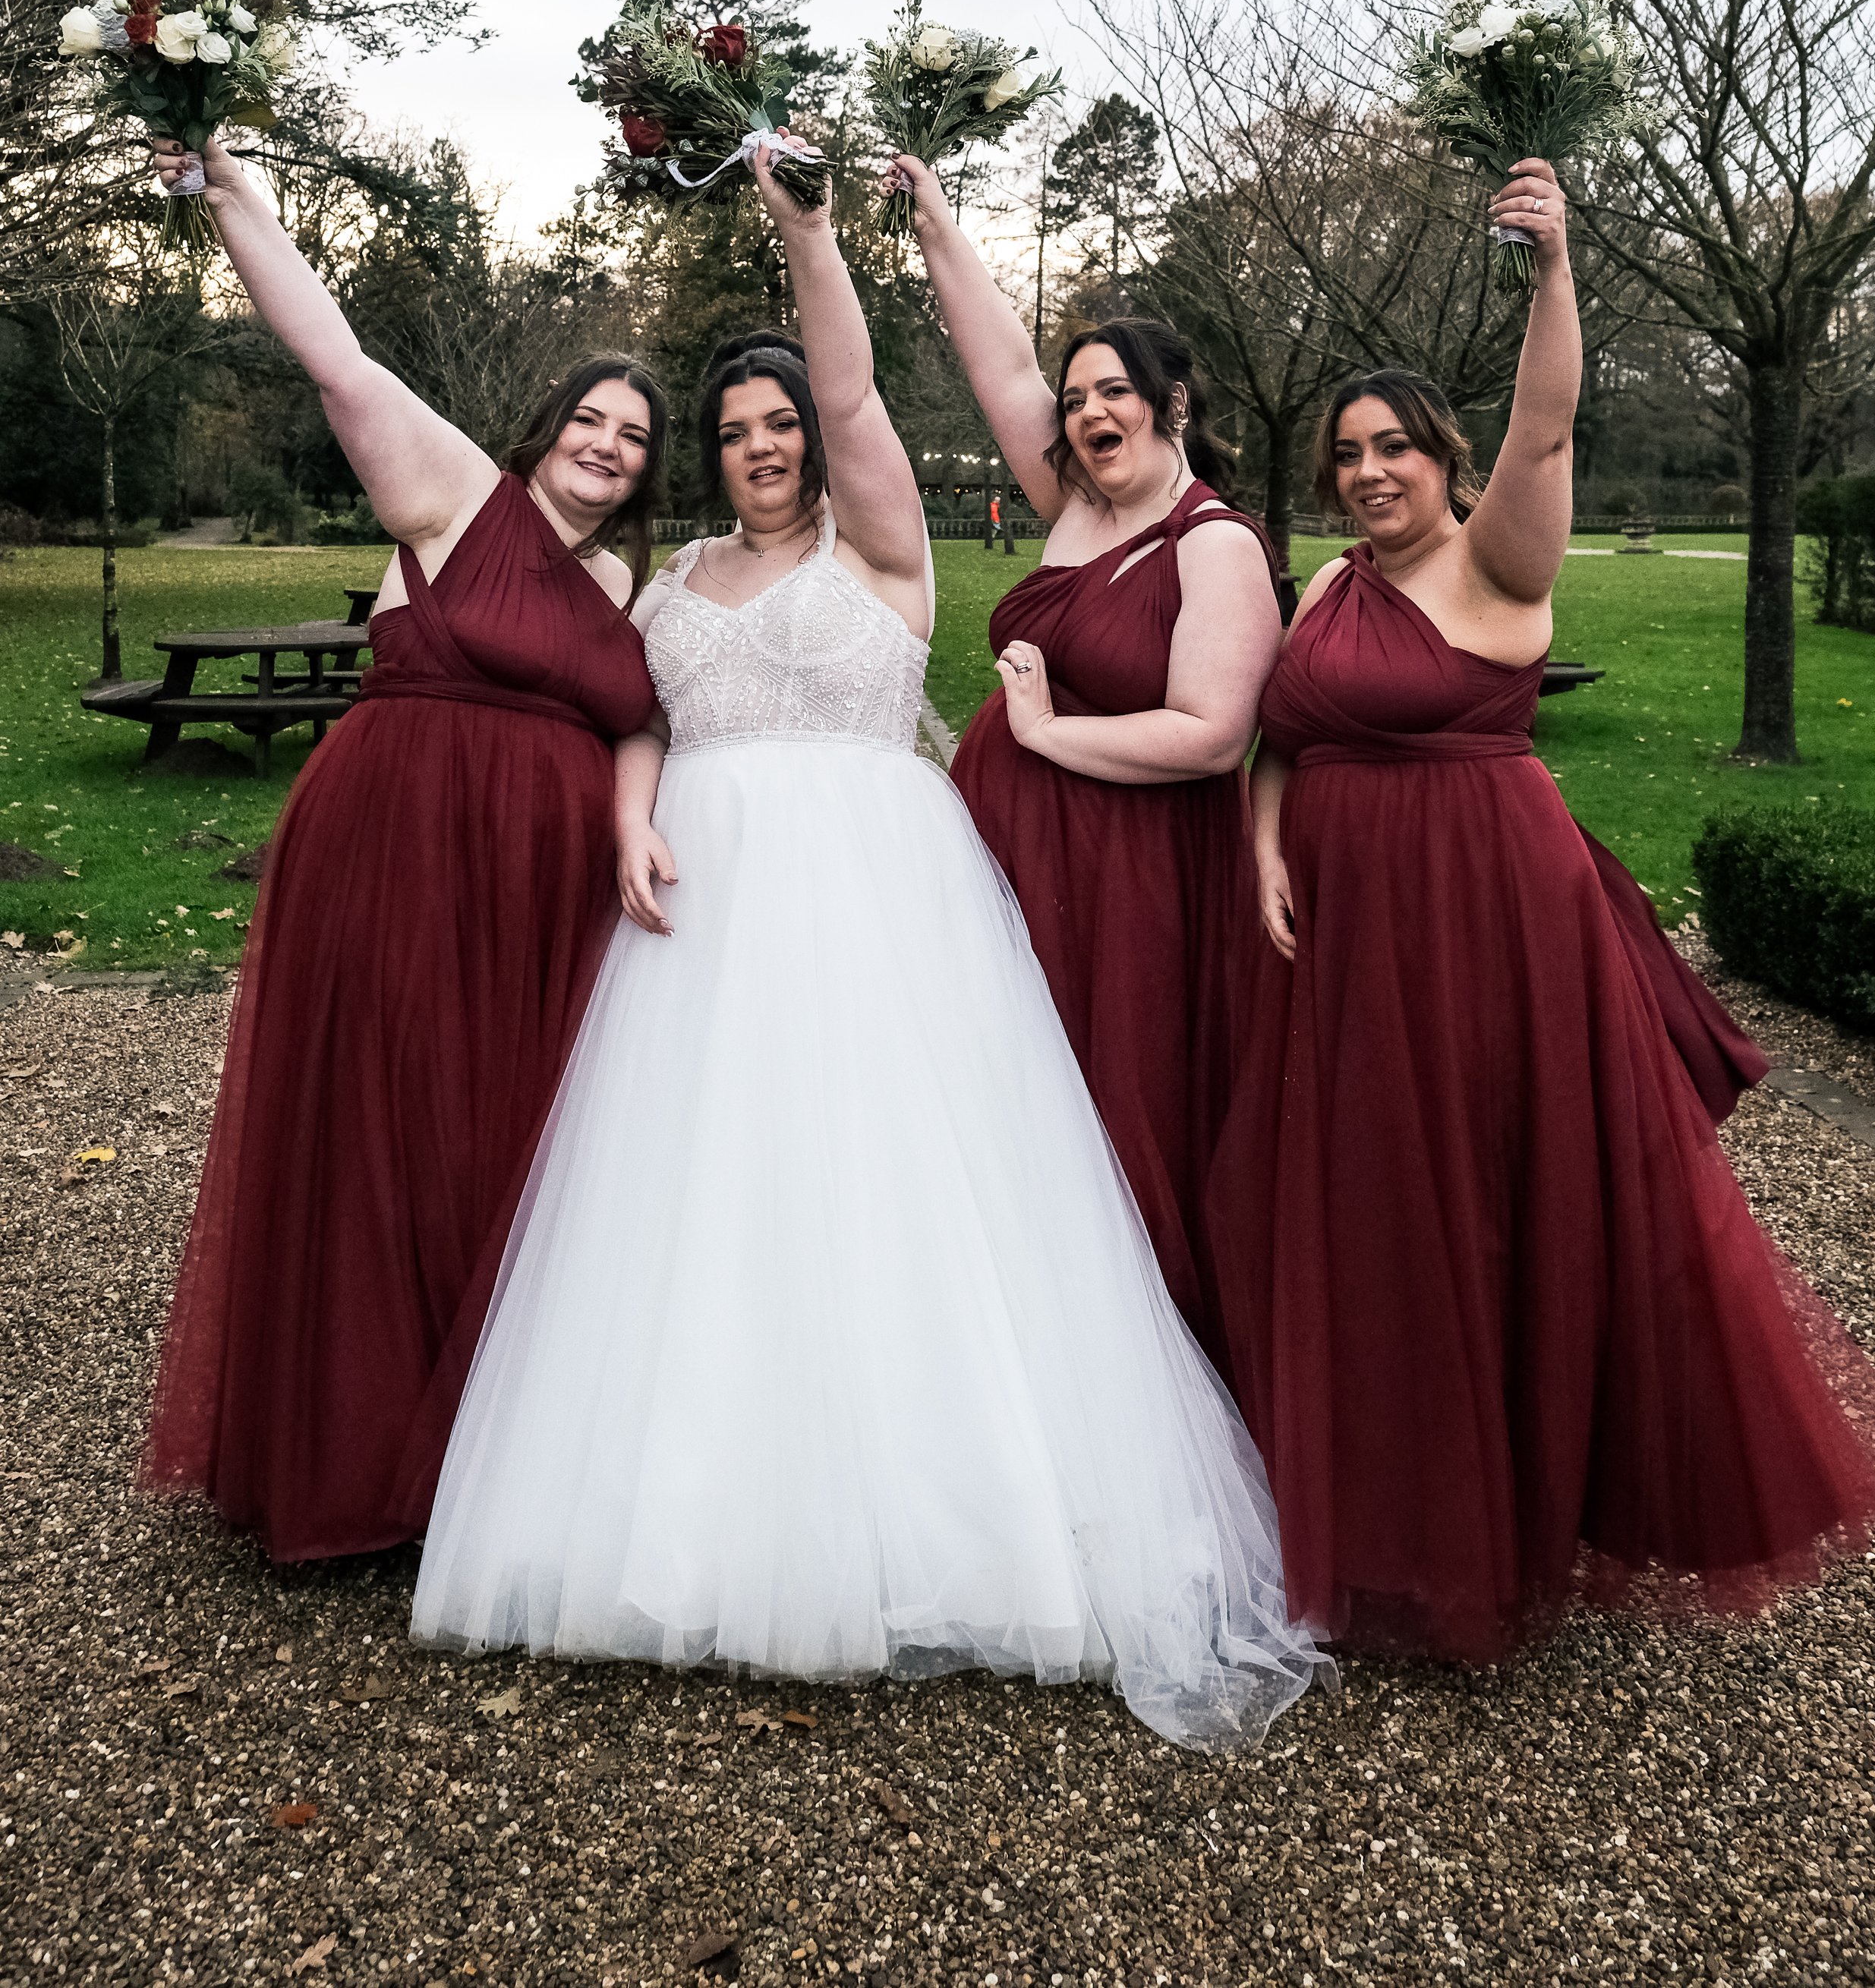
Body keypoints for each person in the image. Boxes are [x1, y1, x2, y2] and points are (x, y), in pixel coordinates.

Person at [411, 152, 1331, 1747]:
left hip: (871, 902)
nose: (762, 447)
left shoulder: (883, 542)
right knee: (692, 1200)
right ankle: (681, 1524)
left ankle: (944, 1522)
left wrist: (812, 238)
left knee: (897, 1185)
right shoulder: (674, 577)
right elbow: (631, 714)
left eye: (778, 425)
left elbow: (855, 396)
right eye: (733, 433)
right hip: (699, 906)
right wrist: (630, 815)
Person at [1207, 156, 1875, 1662]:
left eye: (1395, 446)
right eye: (1347, 452)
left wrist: (1550, 270)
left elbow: (1547, 420)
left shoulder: (1495, 564)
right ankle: (1381, 1501)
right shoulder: (1325, 592)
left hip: (1485, 920)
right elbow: (1286, 740)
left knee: (1497, 1202)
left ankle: (1504, 1519)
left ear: (1443, 459)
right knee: (1375, 1209)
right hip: (1339, 936)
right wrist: (1263, 845)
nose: (1369, 471)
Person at [140, 132, 662, 1563]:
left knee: (497, 1141)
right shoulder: (450, 493)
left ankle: (468, 1458)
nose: (608, 449)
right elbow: (336, 358)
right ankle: (350, 1462)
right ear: (547, 423)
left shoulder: (622, 581)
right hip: (400, 845)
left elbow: (639, 718)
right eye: (591, 422)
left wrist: (627, 814)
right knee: (378, 1123)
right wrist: (236, 194)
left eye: (633, 439)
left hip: (539, 898)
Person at [884, 154, 1281, 1349]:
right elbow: (999, 362)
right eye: (1076, 399)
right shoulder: (1073, 504)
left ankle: (1122, 1362)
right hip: (1006, 854)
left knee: (1104, 1111)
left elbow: (1212, 736)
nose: (1088, 413)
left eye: (1116, 392)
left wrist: (1049, 732)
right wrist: (938, 226)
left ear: (1174, 402)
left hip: (1131, 880)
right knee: (990, 1099)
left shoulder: (1215, 544)